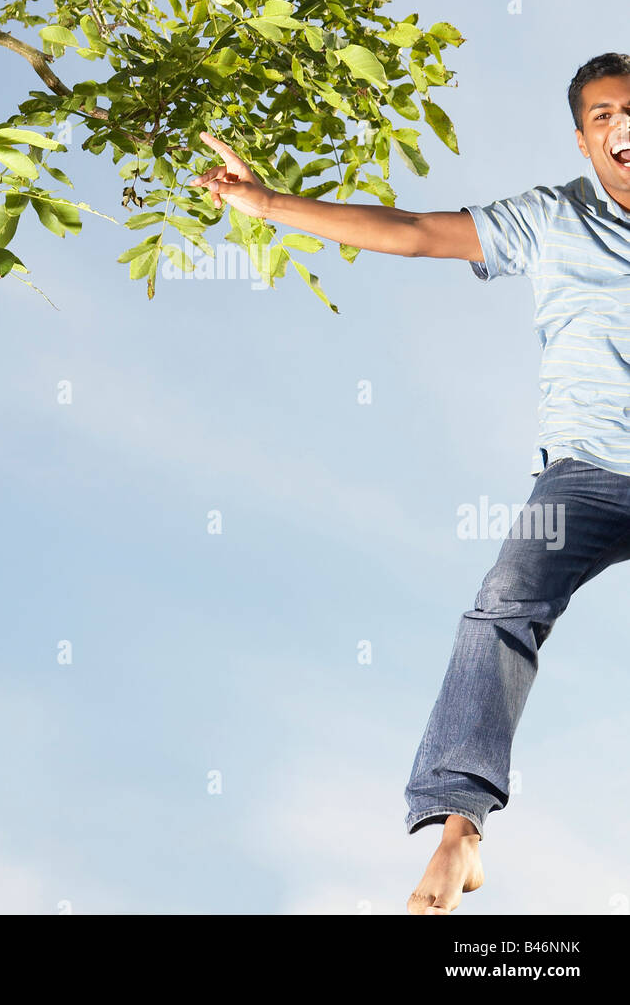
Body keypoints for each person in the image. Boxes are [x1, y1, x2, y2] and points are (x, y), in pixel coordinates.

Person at [191, 51, 630, 915]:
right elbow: (414, 231)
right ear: (583, 141)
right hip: (586, 474)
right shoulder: (550, 218)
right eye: (605, 116)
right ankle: (457, 824)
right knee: (503, 602)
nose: (624, 127)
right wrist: (269, 205)